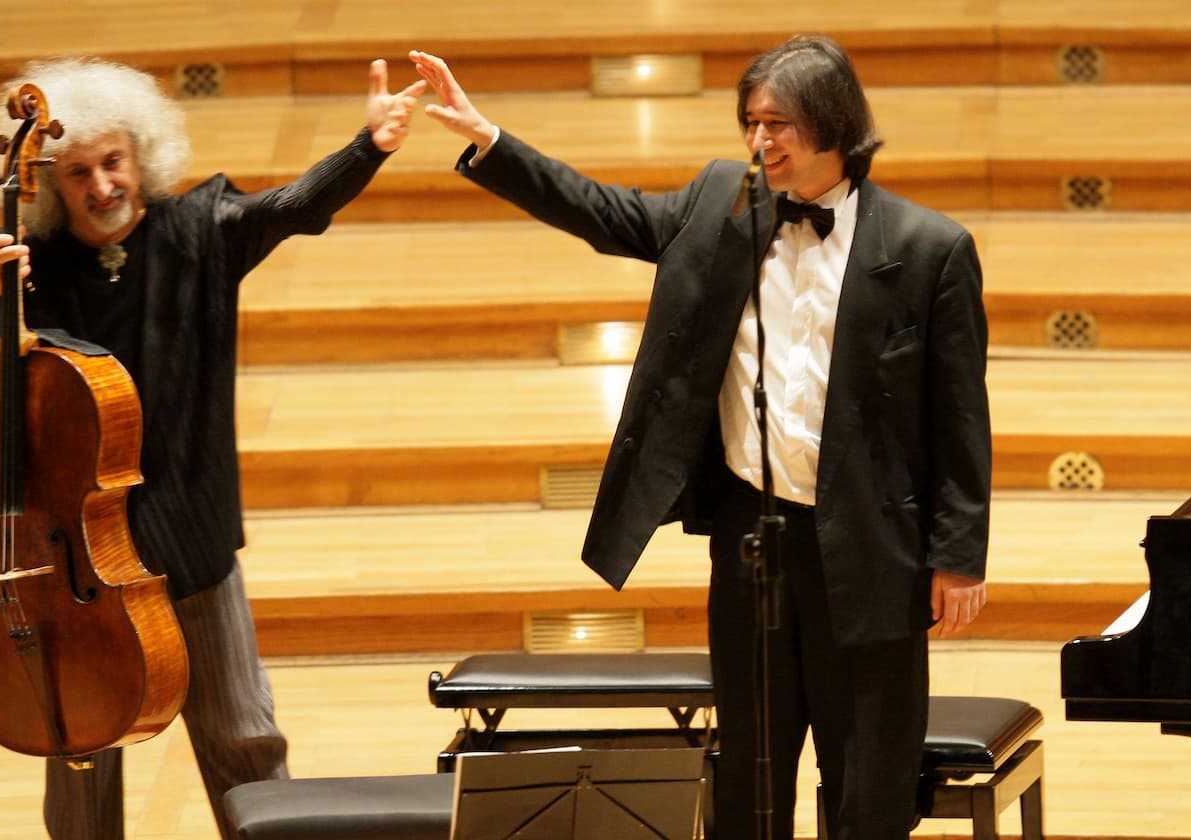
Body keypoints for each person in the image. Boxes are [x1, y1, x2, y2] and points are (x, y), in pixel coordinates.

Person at [411, 35, 990, 840]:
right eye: (751, 121)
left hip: (871, 554)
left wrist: (959, 557)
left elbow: (959, 417)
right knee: (750, 780)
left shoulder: (931, 250)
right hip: (754, 544)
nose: (760, 141)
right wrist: (488, 140)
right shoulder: (722, 202)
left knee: (868, 785)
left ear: (832, 124)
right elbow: (603, 212)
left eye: (779, 123)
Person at [0, 56, 426, 839]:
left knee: (243, 737)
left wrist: (368, 144)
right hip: (73, 568)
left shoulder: (201, 232)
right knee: (79, 752)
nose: (100, 186)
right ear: (52, 183)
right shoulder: (27, 264)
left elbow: (291, 207)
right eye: (78, 172)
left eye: (113, 162)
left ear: (141, 156)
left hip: (188, 544)